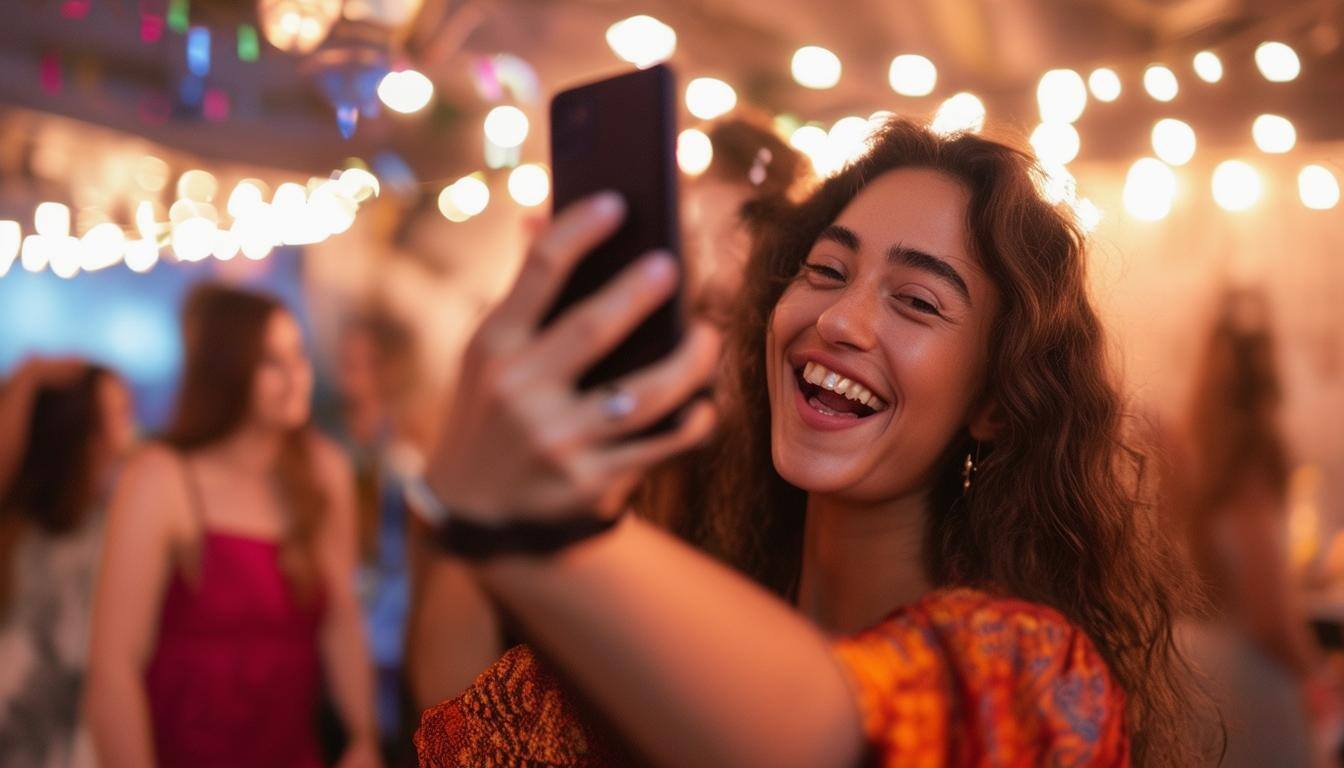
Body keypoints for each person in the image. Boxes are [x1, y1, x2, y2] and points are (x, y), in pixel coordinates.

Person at [410, 118, 1208, 767]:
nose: (839, 320)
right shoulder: (679, 630)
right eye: (827, 271)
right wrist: (473, 481)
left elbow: (833, 733)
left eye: (918, 301)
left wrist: (533, 522)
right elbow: (466, 729)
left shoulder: (1029, 679)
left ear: (996, 401)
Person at [85, 283, 380, 768]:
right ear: (226, 371)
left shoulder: (324, 471)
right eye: (271, 361)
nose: (295, 376)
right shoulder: (162, 476)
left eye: (298, 354)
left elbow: (342, 620)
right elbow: (114, 668)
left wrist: (362, 738)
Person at [1164, 287, 1338, 766]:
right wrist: (1320, 675)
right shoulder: (1252, 458)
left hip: (1188, 661)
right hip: (1247, 676)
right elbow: (1269, 616)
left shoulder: (1191, 445)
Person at [0, 361, 135, 767]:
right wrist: (28, 380)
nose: (128, 431)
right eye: (119, 413)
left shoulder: (118, 525)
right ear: (83, 432)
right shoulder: (18, 530)